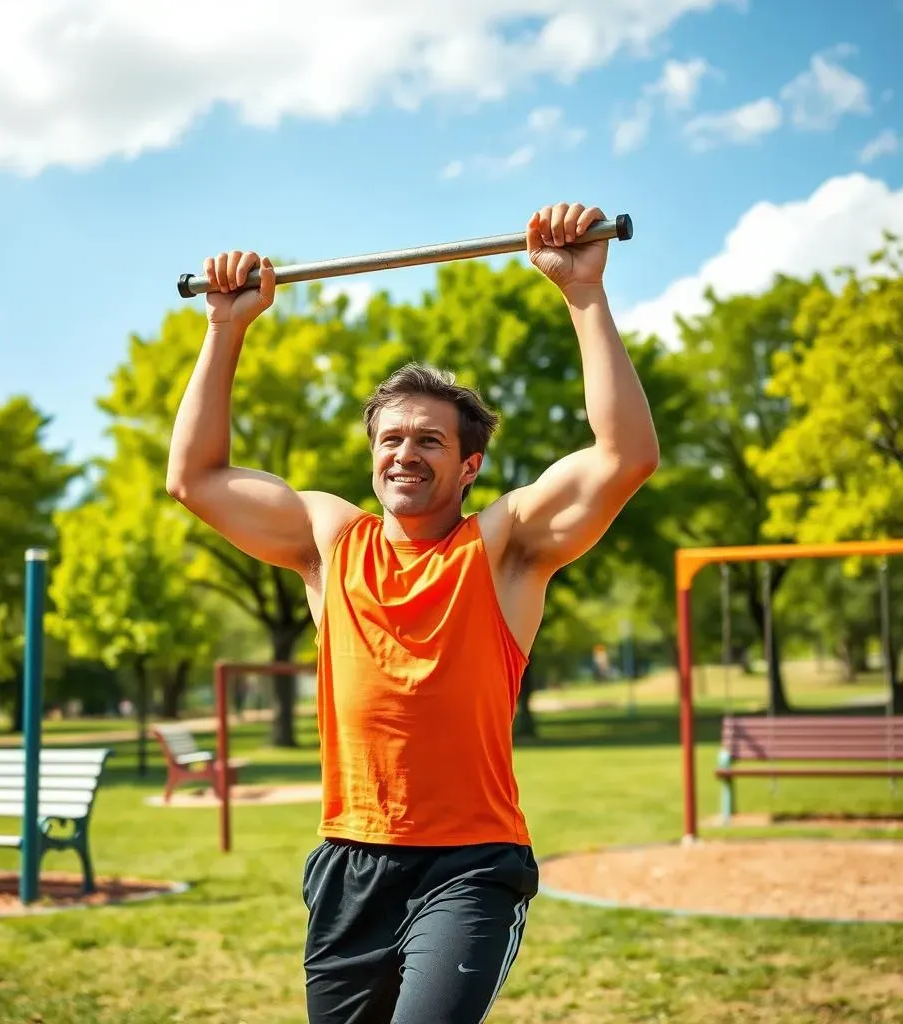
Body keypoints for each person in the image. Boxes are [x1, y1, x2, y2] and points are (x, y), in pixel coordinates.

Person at [166, 201, 660, 1024]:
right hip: (349, 863)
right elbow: (196, 479)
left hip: (467, 869)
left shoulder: (504, 547)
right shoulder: (329, 539)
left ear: (467, 467)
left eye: (429, 441)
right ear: (371, 458)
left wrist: (582, 294)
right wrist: (226, 330)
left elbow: (624, 457)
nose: (405, 453)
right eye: (391, 439)